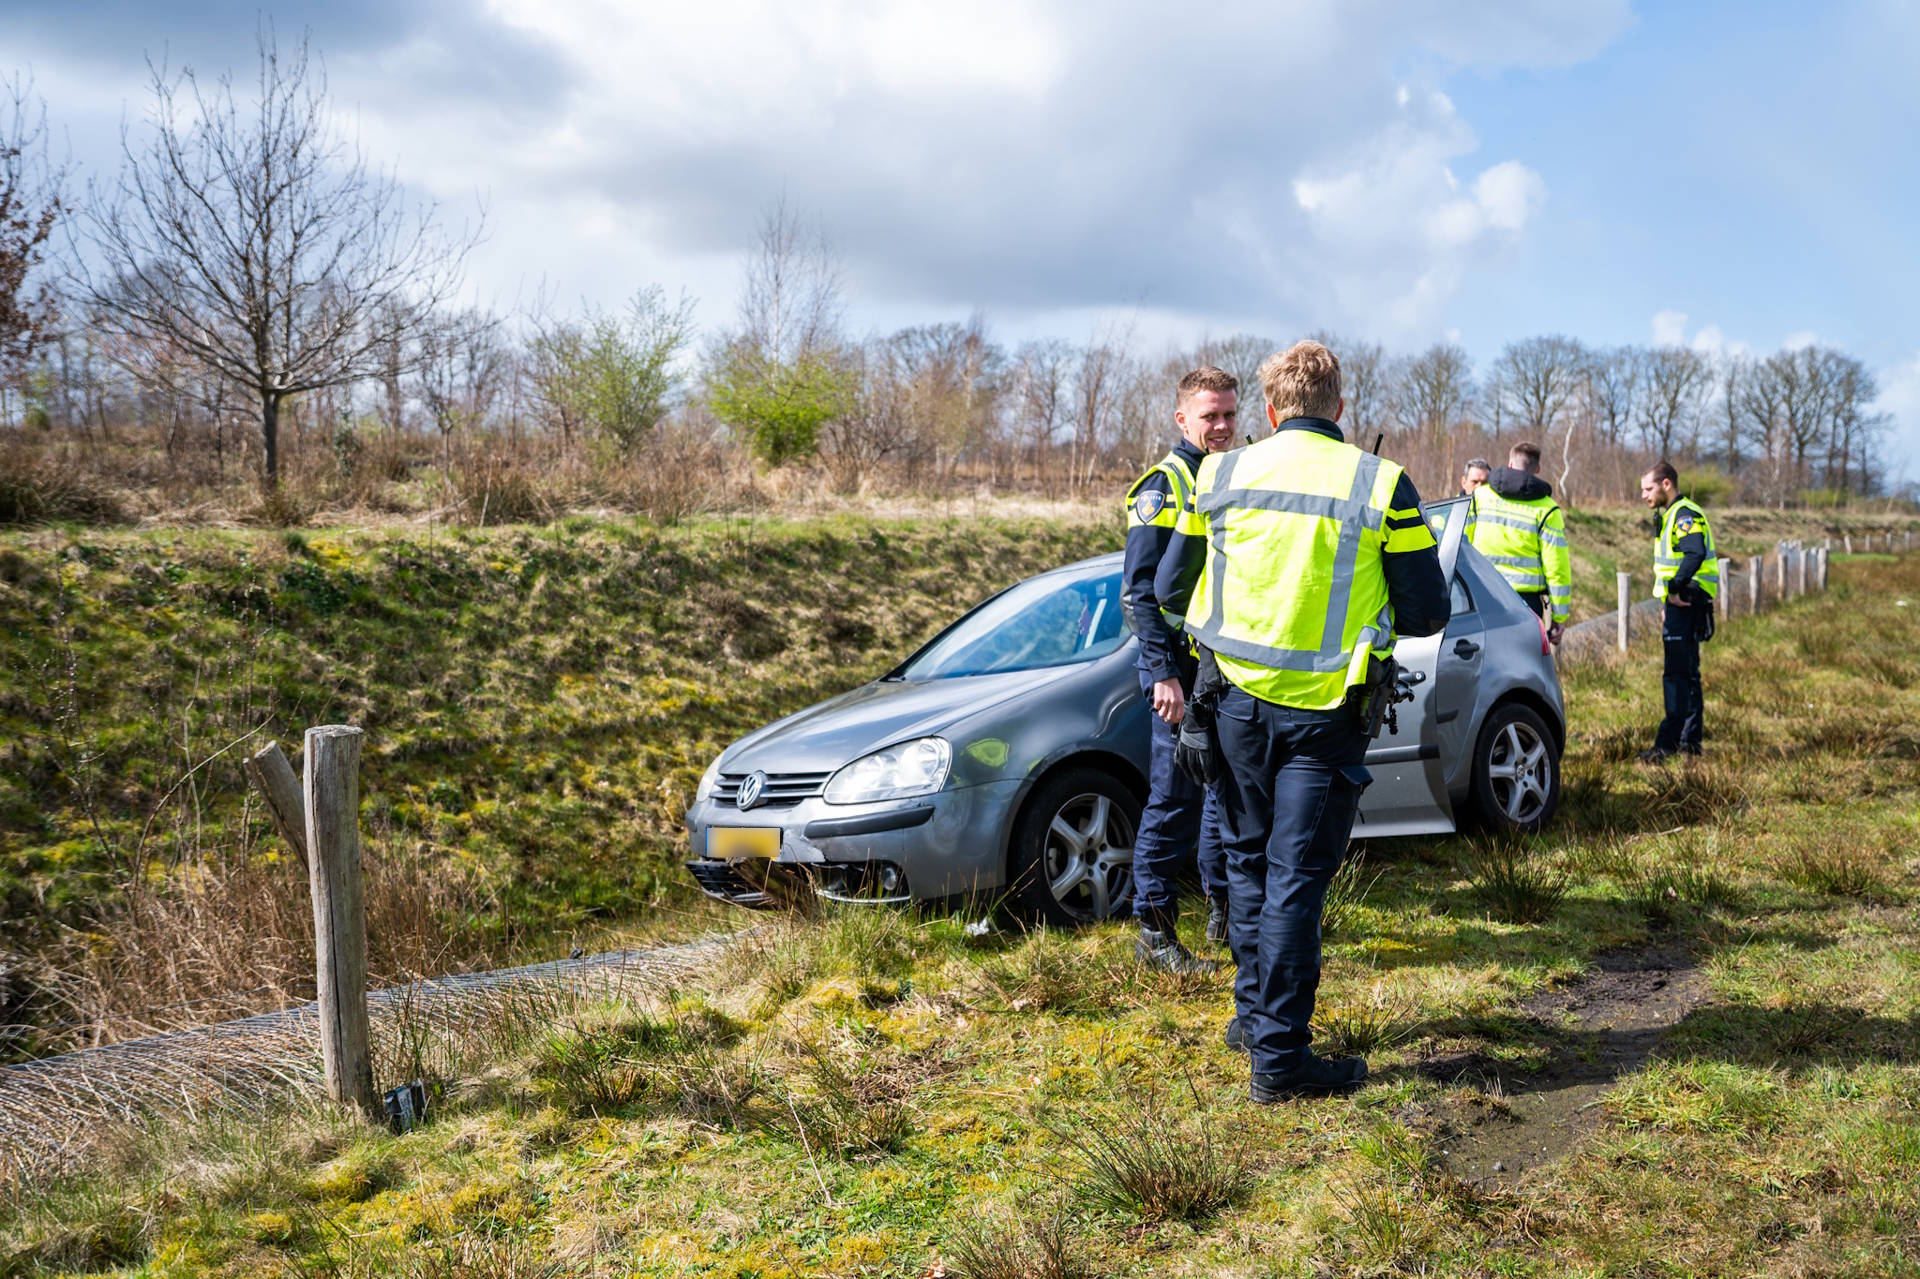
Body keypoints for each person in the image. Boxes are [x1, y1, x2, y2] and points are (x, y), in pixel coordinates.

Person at [1157, 341, 1448, 1101]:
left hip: (1235, 706)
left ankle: (1256, 1022)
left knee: (1250, 866)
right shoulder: (1380, 482)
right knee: (1294, 881)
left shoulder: (1219, 474)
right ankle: (1280, 1059)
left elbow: (1169, 587)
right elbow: (1428, 610)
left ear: (1270, 409)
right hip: (1326, 715)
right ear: (1340, 408)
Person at [1120, 365, 1236, 974]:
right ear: (1182, 418)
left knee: (1223, 792)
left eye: (1229, 414)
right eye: (1209, 415)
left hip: (1220, 669)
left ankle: (1224, 911)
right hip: (1178, 674)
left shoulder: (1231, 474)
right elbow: (1140, 591)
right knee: (1174, 801)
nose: (1221, 426)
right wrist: (1162, 673)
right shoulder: (1164, 485)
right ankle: (1155, 935)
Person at [1637, 462, 1717, 763]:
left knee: (1676, 676)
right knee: (1689, 675)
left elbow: (1694, 552)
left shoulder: (1684, 515)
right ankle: (1689, 743)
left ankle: (1666, 746)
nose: (1644, 495)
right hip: (1683, 603)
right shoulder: (1673, 514)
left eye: (1648, 488)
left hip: (1686, 600)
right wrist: (1667, 602)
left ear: (1666, 484)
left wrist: (1674, 588)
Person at [1465, 441, 1572, 645]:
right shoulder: (1548, 509)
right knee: (1525, 661)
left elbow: (1463, 544)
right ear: (1537, 469)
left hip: (1483, 596)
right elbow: (1557, 568)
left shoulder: (1480, 497)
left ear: (1510, 463)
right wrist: (1559, 617)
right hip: (1526, 606)